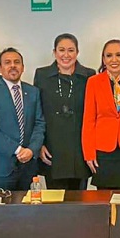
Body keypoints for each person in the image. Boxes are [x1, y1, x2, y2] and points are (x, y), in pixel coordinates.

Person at [34, 34, 96, 190]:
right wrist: (39, 144)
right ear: (54, 52)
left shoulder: (89, 75)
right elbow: (37, 113)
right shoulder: (42, 75)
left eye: (71, 50)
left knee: (79, 200)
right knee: (55, 200)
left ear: (77, 52)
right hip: (52, 148)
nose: (66, 55)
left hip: (80, 149)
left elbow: (94, 113)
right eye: (61, 50)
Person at [0, 47, 45, 190]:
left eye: (17, 62)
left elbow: (39, 124)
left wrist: (31, 150)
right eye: (7, 62)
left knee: (28, 204)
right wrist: (17, 150)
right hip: (1, 167)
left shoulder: (33, 92)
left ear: (23, 67)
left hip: (28, 167)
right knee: (3, 205)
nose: (13, 66)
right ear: (0, 68)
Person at [82, 39, 120, 190]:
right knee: (102, 196)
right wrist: (88, 153)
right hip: (102, 149)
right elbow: (88, 120)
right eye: (109, 55)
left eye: (118, 55)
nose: (114, 60)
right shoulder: (93, 82)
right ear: (103, 59)